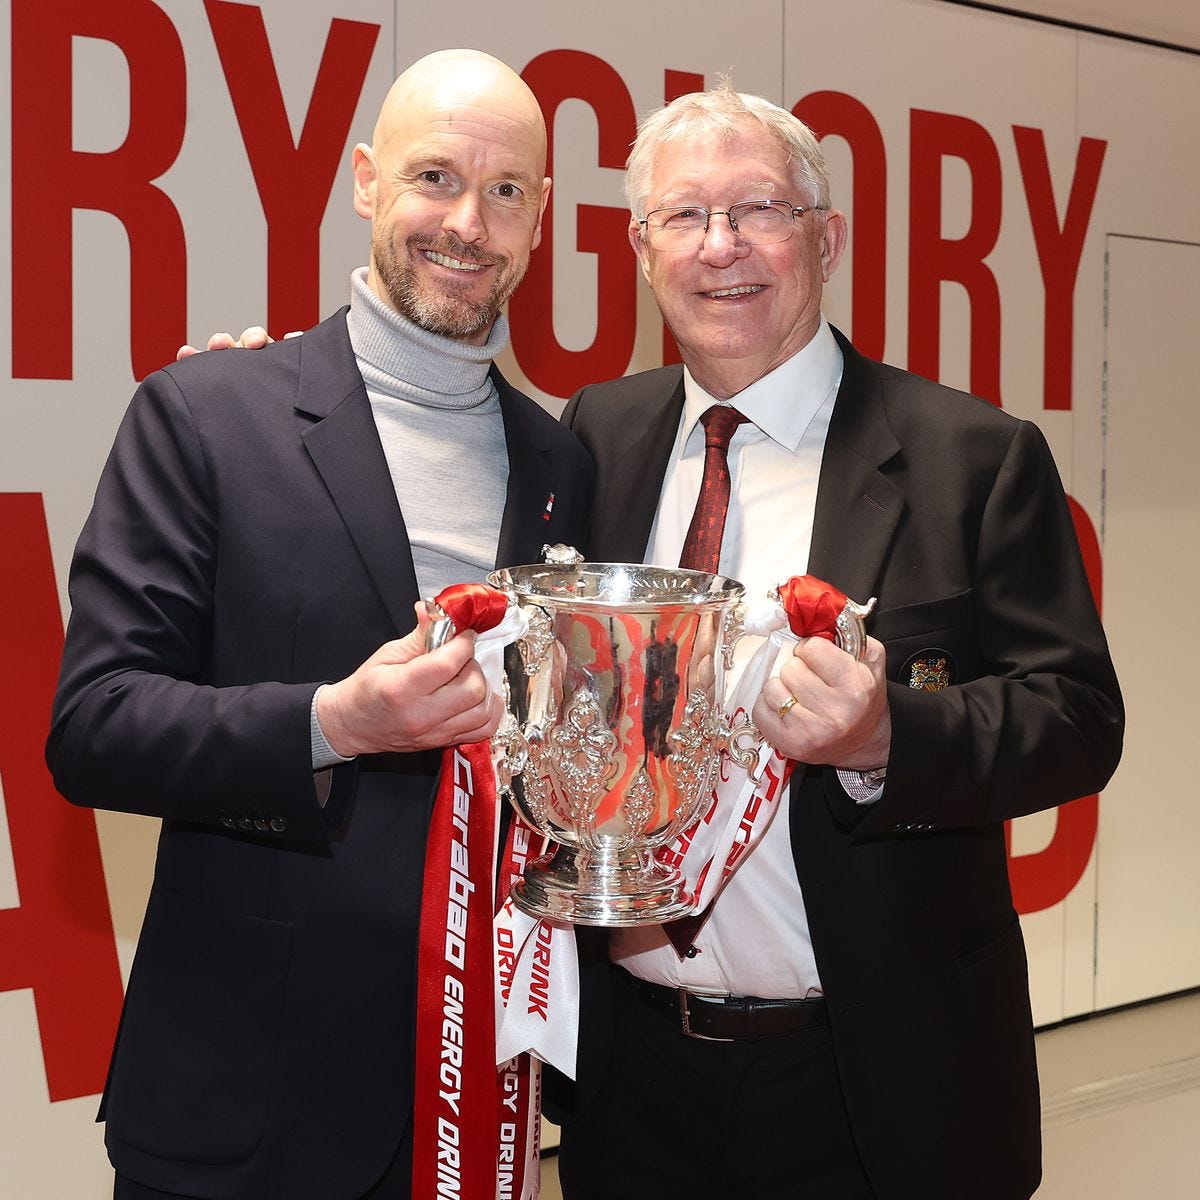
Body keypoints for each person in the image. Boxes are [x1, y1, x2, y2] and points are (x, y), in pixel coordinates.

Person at [547, 82, 1124, 1200]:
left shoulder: (972, 456)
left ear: (830, 238)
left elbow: (1077, 718)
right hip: (632, 1077)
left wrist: (881, 738)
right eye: (685, 217)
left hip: (878, 1087)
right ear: (641, 246)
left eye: (761, 209)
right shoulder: (596, 436)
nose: (723, 248)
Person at [46, 49, 591, 1200]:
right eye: (435, 176)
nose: (467, 223)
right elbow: (93, 725)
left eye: (506, 193)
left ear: (541, 220)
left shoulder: (561, 463)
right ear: (363, 182)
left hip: (477, 1104)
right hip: (247, 1110)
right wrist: (333, 722)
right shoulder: (205, 414)